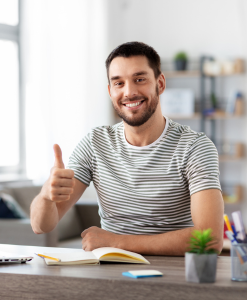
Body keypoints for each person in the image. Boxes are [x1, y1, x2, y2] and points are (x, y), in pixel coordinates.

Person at [30, 42, 224, 256]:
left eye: (139, 79)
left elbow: (209, 240)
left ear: (160, 84)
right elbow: (41, 226)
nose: (129, 92)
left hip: (174, 277)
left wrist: (118, 242)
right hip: (108, 274)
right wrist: (46, 196)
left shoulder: (195, 147)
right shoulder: (95, 144)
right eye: (119, 83)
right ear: (110, 91)